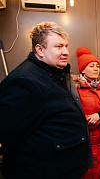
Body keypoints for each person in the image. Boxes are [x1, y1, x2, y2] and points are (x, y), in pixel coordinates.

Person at [0, 21, 93, 178]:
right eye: (58, 46)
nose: (65, 52)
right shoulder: (24, 80)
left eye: (66, 46)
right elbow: (6, 133)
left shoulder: (54, 73)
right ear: (40, 50)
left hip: (66, 168)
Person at [74, 47, 100, 179]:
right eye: (91, 66)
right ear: (82, 69)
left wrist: (99, 115)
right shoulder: (76, 89)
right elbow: (75, 116)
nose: (96, 68)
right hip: (86, 140)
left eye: (97, 66)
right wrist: (92, 120)